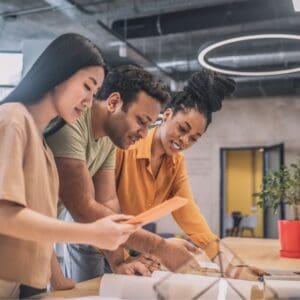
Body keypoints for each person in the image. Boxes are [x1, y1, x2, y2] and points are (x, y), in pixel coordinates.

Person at [0, 33, 139, 299]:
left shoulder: (42, 145)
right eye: (87, 86)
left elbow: (37, 224)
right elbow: (5, 215)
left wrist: (58, 278)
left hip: (26, 286)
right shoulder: (13, 119)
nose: (89, 101)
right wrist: (90, 233)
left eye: (95, 92)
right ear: (59, 73)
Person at [46, 64, 199, 284]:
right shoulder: (71, 124)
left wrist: (119, 262)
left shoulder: (109, 140)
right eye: (141, 121)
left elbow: (108, 200)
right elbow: (83, 209)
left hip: (36, 240)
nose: (145, 133)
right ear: (114, 102)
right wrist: (160, 247)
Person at [116, 70, 266, 280]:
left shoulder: (175, 163)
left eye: (194, 138)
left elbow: (191, 217)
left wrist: (230, 268)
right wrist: (158, 249)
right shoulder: (127, 147)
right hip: (95, 247)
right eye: (182, 128)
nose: (184, 140)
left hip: (128, 247)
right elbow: (104, 212)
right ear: (167, 115)